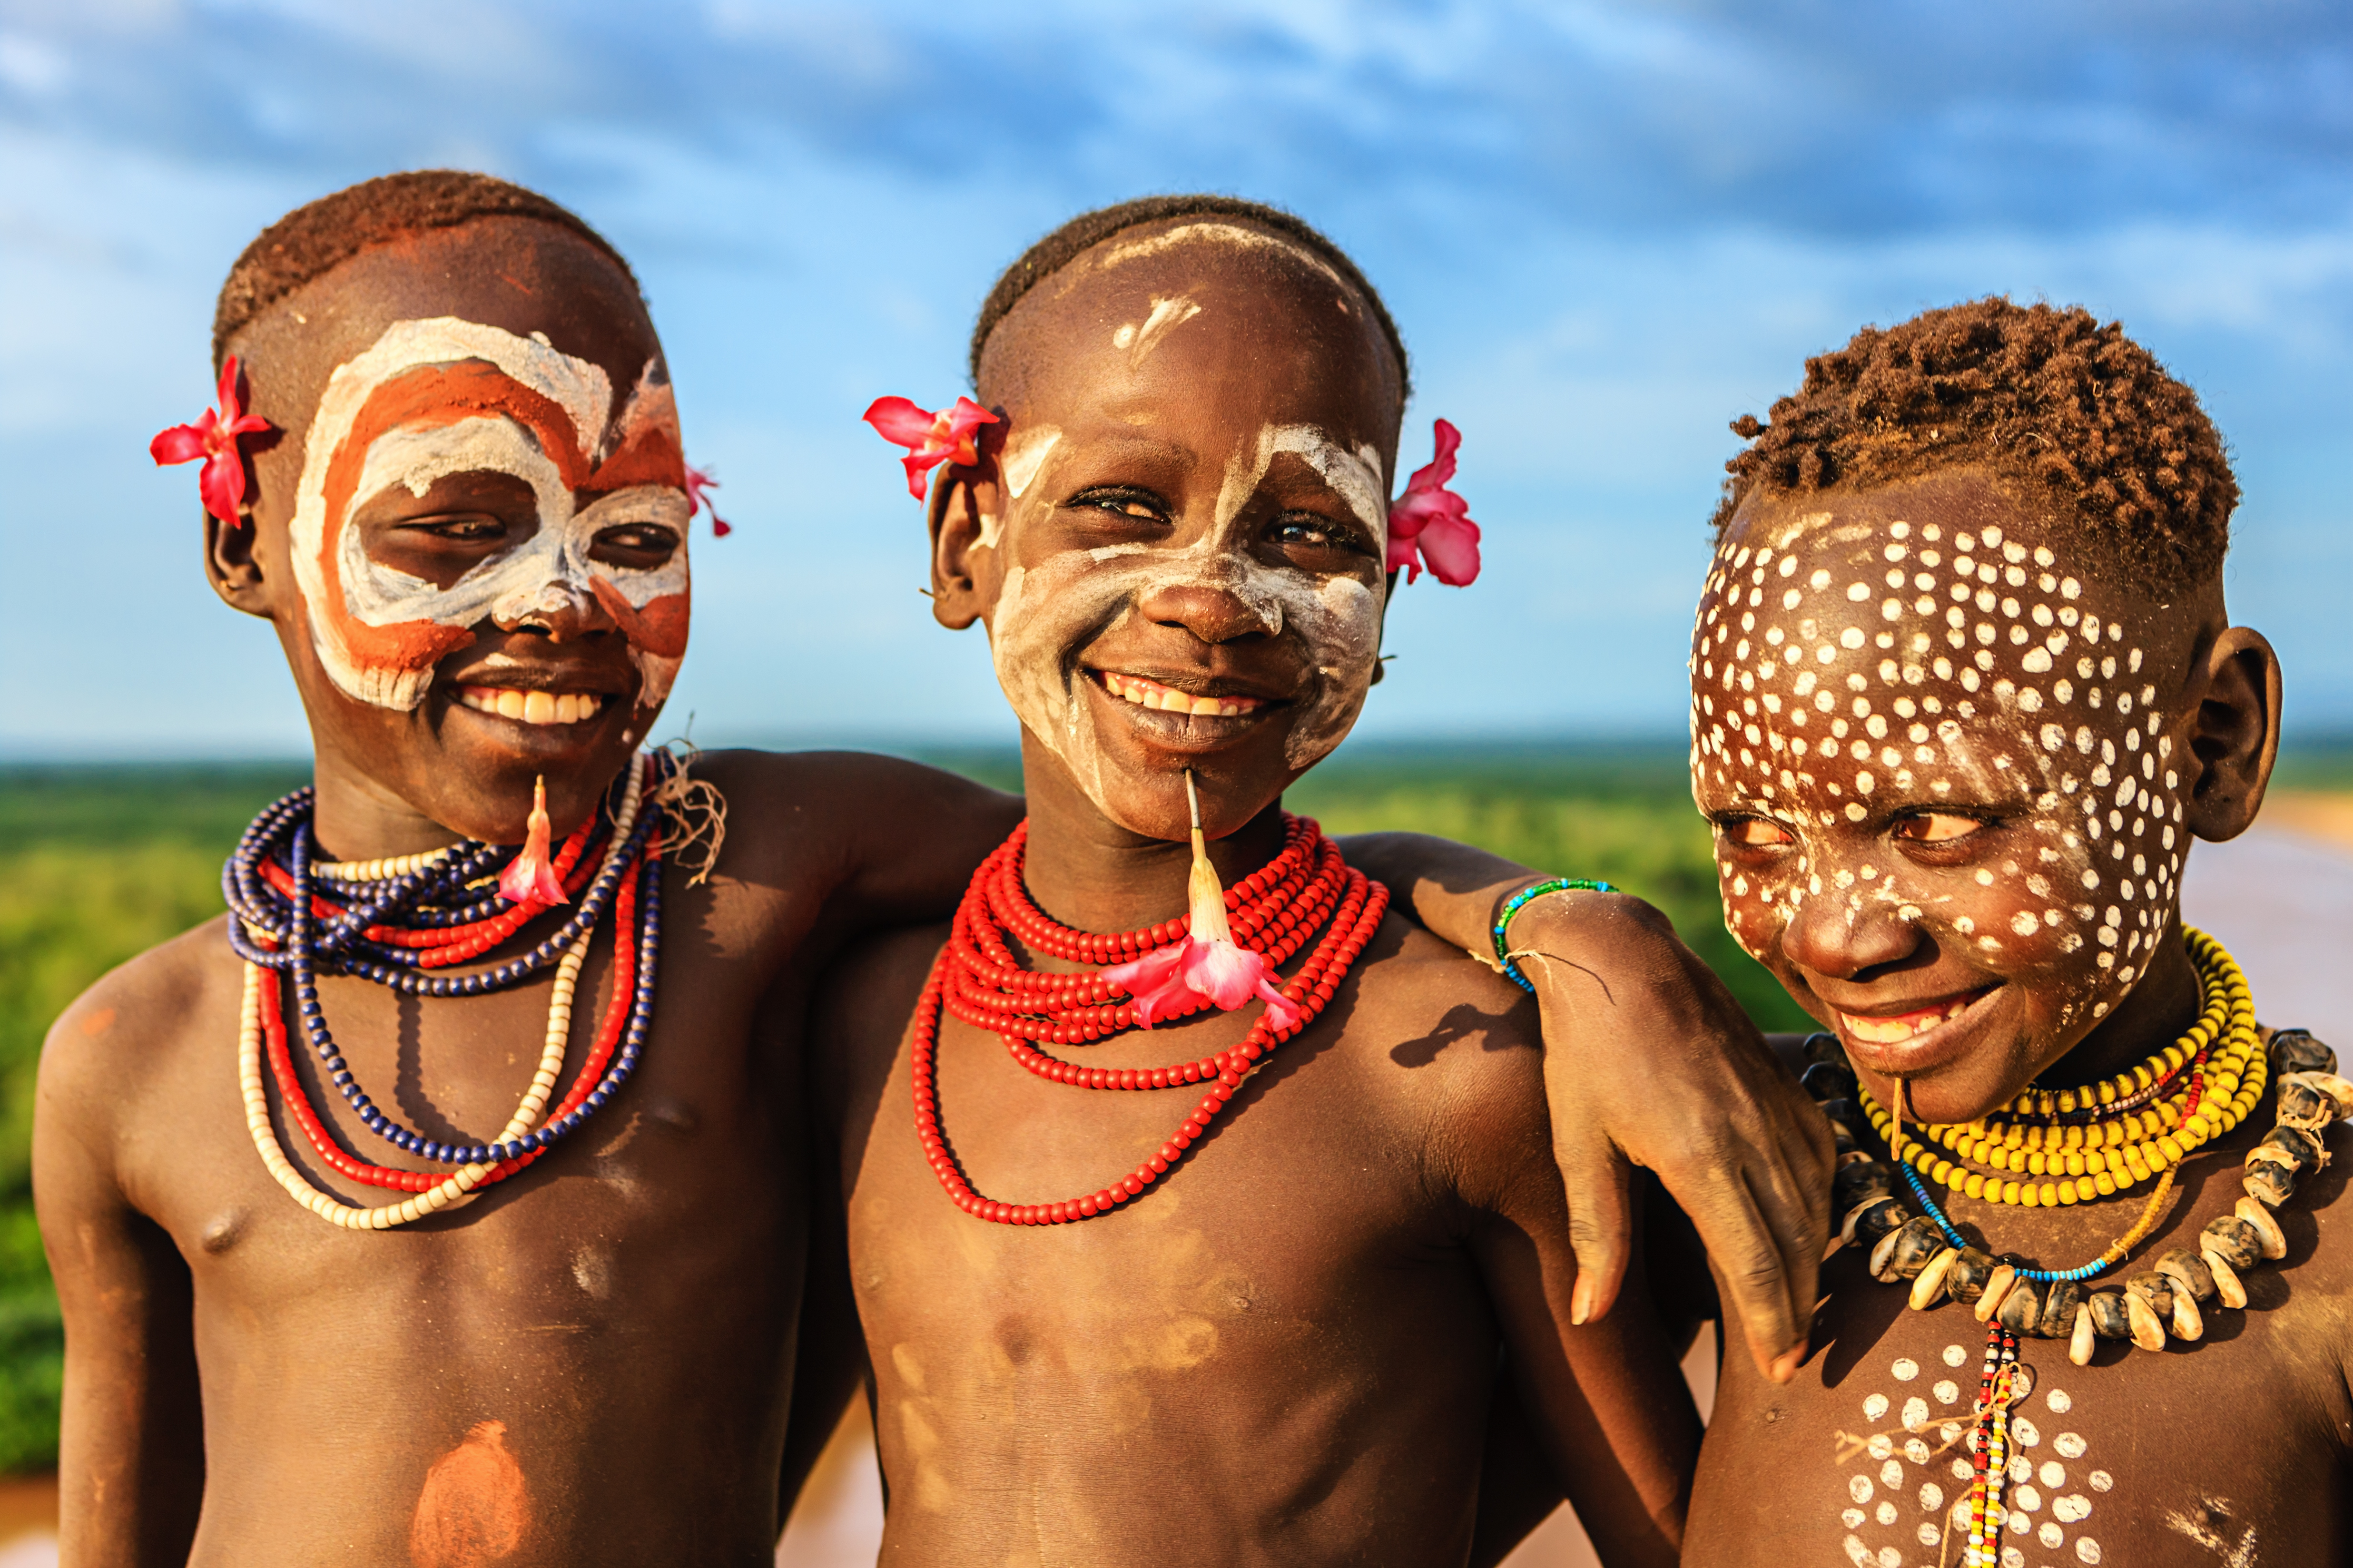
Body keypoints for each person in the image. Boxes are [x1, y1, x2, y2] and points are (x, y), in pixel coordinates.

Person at [34, 171, 1816, 1565]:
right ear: (237, 533)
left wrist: (1561, 926)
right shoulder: (136, 1060)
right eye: (452, 522)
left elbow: (1185, 859)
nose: (561, 599)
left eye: (634, 531)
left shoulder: (753, 888)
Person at [803, 196, 1717, 1566]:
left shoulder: (1452, 1069)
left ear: (1386, 594)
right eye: (1121, 505)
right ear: (963, 544)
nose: (1213, 600)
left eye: (1308, 535)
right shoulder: (867, 1023)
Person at [1676, 298, 2351, 1566]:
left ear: (2213, 747)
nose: (1831, 934)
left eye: (1934, 820)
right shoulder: (1724, 1152)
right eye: (1753, 831)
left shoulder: (2332, 1254)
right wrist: (1565, 932)